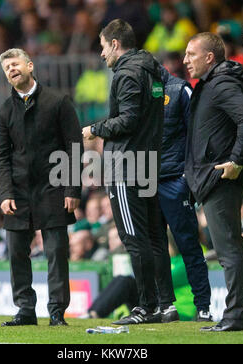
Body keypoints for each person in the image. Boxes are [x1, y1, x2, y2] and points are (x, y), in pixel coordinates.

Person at [82, 19, 173, 325]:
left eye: (103, 46)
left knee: (135, 239)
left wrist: (95, 129)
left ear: (116, 44)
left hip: (127, 165)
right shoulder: (153, 70)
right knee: (155, 237)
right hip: (148, 161)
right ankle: (166, 305)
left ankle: (145, 307)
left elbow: (128, 120)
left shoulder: (128, 73)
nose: (101, 54)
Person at [0, 48, 83, 327]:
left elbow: (74, 147)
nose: (11, 69)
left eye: (15, 63)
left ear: (30, 66)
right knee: (17, 252)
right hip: (17, 192)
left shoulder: (59, 101)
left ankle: (57, 312)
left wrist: (72, 189)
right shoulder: (5, 110)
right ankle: (25, 310)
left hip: (54, 187)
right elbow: (1, 156)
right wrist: (5, 193)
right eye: (7, 67)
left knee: (56, 252)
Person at [183, 32, 243, 332]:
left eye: (191, 54)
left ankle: (237, 315)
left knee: (229, 250)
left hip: (222, 178)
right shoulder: (211, 84)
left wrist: (237, 161)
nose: (185, 60)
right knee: (229, 248)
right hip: (213, 178)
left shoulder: (220, 83)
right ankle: (237, 313)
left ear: (209, 57)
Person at [158, 66, 212, 322]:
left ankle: (203, 306)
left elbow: (197, 133)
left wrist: (188, 176)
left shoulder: (180, 89)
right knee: (155, 247)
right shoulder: (139, 91)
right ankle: (164, 306)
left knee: (189, 245)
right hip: (147, 179)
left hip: (175, 178)